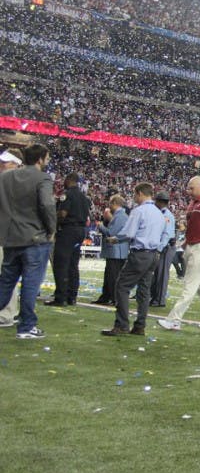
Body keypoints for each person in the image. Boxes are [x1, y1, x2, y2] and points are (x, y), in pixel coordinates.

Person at [0, 143, 57, 339]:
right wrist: (51, 229)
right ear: (40, 159)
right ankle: (26, 327)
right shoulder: (42, 178)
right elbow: (47, 204)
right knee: (31, 284)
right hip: (34, 238)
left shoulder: (5, 177)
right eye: (47, 158)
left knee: (6, 283)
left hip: (10, 238)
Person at [157, 176, 200, 331]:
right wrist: (186, 241)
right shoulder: (193, 203)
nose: (188, 191)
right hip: (192, 246)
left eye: (191, 188)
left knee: (190, 284)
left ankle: (174, 319)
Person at [101, 183, 167, 337]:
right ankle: (140, 326)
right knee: (144, 291)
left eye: (135, 194)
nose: (134, 198)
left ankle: (122, 325)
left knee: (122, 286)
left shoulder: (139, 211)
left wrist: (115, 239)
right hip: (153, 255)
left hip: (140, 254)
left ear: (139, 193)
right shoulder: (159, 213)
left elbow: (129, 233)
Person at [46, 172, 91, 306]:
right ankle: (72, 296)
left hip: (68, 231)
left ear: (69, 180)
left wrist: (54, 224)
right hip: (80, 231)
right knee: (73, 264)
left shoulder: (68, 195)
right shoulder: (84, 197)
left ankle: (61, 297)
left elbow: (62, 213)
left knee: (61, 264)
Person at [0, 148, 24, 327]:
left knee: (6, 275)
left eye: (6, 162)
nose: (2, 164)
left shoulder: (16, 183)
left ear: (16, 164)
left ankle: (6, 313)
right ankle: (9, 311)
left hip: (8, 235)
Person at [93, 195, 129, 306]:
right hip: (117, 251)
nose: (109, 206)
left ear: (115, 203)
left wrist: (101, 226)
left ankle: (113, 298)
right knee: (109, 275)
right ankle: (106, 296)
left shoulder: (120, 216)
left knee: (113, 276)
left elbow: (111, 233)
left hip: (116, 251)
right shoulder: (121, 216)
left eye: (110, 204)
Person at [149, 191, 176, 307]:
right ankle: (155, 297)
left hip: (166, 247)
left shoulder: (167, 216)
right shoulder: (161, 213)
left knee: (162, 274)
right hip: (162, 246)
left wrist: (159, 249)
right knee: (157, 274)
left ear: (160, 202)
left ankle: (159, 300)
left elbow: (167, 235)